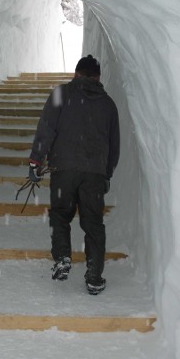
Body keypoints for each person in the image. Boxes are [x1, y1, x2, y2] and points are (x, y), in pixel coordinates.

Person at [27, 54, 120, 295]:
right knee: (93, 224)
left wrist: (36, 160)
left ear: (76, 73)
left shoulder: (61, 93)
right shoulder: (108, 104)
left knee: (60, 215)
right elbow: (114, 145)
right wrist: (106, 173)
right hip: (94, 173)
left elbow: (46, 127)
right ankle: (94, 276)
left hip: (64, 170)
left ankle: (62, 258)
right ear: (98, 77)